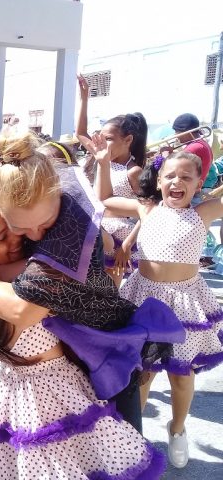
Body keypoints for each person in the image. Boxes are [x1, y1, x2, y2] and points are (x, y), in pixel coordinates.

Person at [0, 132, 181, 478]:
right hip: (66, 363)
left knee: (115, 464)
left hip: (107, 356)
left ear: (57, 197)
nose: (36, 235)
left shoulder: (69, 235)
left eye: (43, 224)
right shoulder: (28, 200)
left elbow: (21, 310)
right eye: (19, 228)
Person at [98, 148, 223, 468]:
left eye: (186, 177)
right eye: (170, 176)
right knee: (144, 373)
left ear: (198, 184)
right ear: (159, 181)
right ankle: (135, 435)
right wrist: (101, 163)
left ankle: (178, 429)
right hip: (145, 300)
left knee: (182, 375)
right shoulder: (146, 209)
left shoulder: (202, 213)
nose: (177, 182)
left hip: (185, 303)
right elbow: (106, 199)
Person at [77, 75, 148, 286]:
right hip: (94, 228)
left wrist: (127, 244)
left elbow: (148, 210)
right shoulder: (101, 155)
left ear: (128, 141)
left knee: (110, 290)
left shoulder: (134, 171)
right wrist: (84, 98)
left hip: (118, 236)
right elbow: (80, 133)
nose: (100, 142)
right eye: (100, 136)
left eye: (108, 139)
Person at [172, 113, 213, 185]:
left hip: (189, 192)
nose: (176, 135)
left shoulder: (194, 147)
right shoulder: (202, 143)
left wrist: (164, 155)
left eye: (177, 131)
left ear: (186, 131)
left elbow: (173, 170)